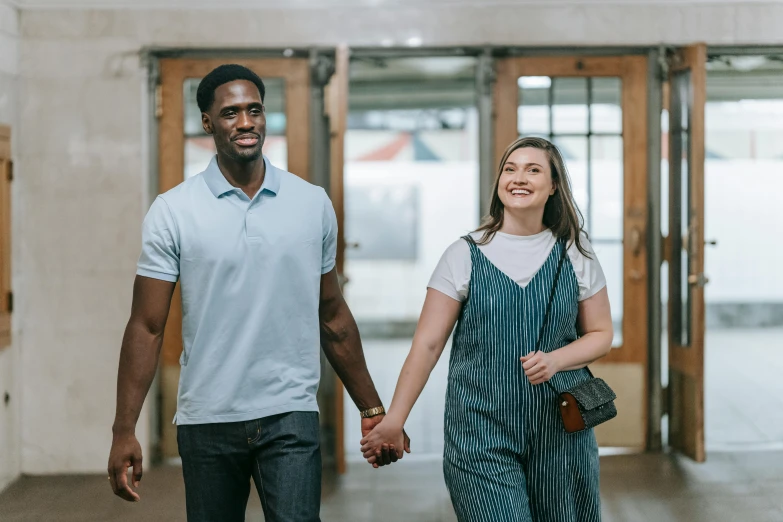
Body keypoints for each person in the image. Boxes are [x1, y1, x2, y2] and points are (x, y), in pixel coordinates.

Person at [107, 64, 408, 522]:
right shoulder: (173, 211)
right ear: (207, 122)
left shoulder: (311, 203)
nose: (246, 122)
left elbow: (331, 314)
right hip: (207, 416)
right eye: (230, 113)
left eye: (255, 110)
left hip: (289, 412)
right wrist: (124, 428)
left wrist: (370, 406)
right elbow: (147, 327)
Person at [360, 136, 613, 521]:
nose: (519, 177)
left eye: (533, 169)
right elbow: (427, 345)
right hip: (479, 431)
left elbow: (601, 334)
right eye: (510, 169)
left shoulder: (575, 253)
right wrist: (395, 419)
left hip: (560, 433)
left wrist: (556, 360)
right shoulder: (463, 254)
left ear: (554, 185)